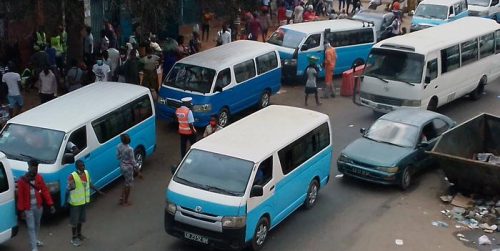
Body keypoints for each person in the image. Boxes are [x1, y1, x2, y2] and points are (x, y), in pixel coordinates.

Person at [17, 160, 56, 251]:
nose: (35, 171)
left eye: (36, 169)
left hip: (38, 207)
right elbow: (20, 196)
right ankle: (34, 247)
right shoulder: (22, 181)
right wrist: (21, 210)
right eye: (33, 169)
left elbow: (45, 191)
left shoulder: (39, 178)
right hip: (28, 208)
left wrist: (51, 204)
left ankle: (35, 240)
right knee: (31, 227)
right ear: (29, 168)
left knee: (37, 224)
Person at [67, 160, 104, 247]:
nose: (83, 167)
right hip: (75, 203)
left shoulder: (86, 173)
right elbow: (69, 187)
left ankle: (79, 234)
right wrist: (71, 187)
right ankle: (73, 238)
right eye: (81, 166)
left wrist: (98, 191)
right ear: (77, 167)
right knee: (74, 221)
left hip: (83, 202)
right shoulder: (72, 176)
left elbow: (89, 184)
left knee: (81, 220)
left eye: (83, 165)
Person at [116, 134, 142, 206]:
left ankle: (121, 198)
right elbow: (133, 161)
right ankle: (125, 201)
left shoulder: (119, 146)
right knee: (128, 184)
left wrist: (123, 157)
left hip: (122, 166)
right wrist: (138, 171)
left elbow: (117, 157)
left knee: (126, 182)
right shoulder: (130, 149)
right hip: (128, 168)